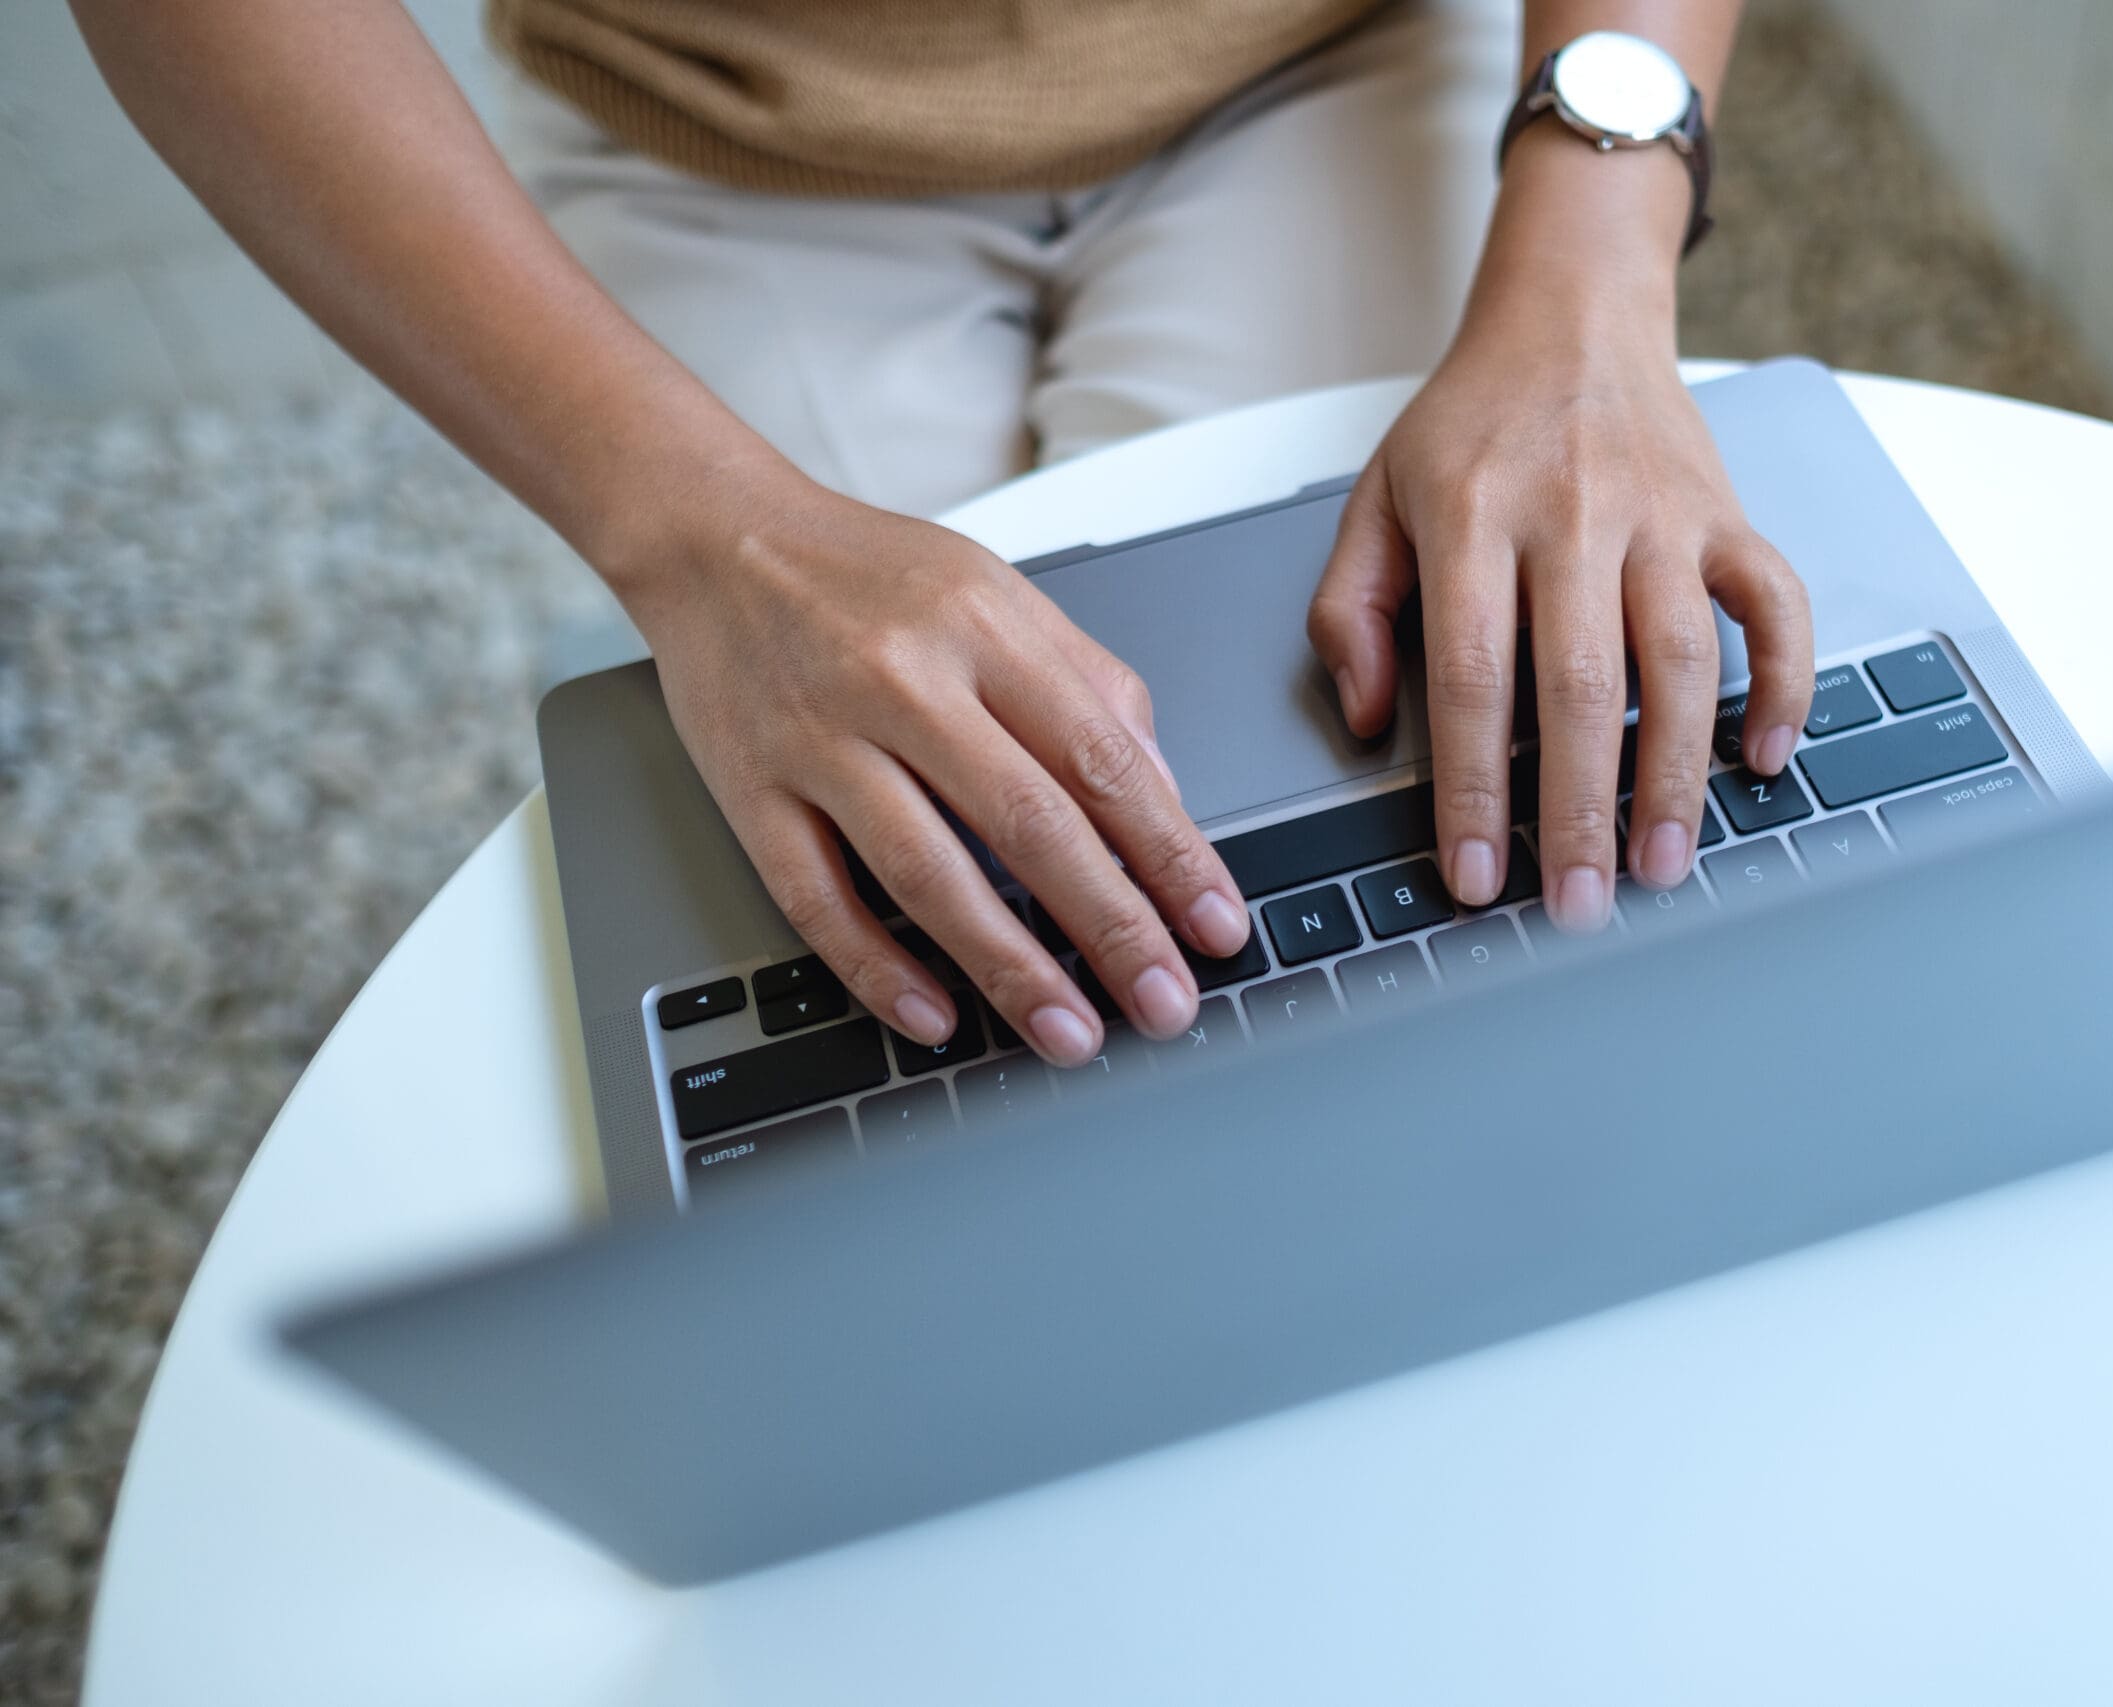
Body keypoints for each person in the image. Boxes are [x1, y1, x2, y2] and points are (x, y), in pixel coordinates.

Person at [74, 0, 1811, 1070]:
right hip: (717, 116)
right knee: (916, 931)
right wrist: (705, 545)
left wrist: (1591, 268)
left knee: (1367, 843)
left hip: (1327, 54)